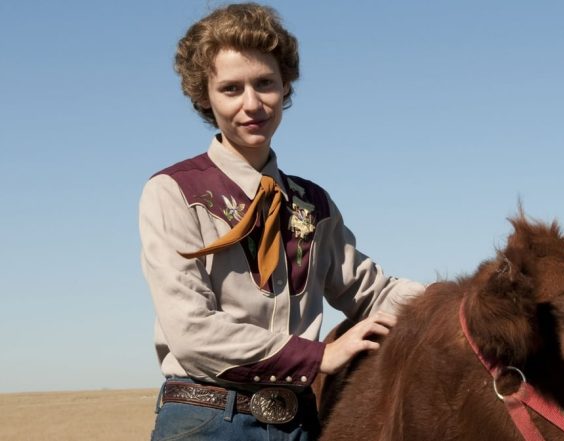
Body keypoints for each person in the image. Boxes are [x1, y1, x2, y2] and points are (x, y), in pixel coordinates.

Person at [138, 3, 424, 439]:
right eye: (231, 89)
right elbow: (192, 332)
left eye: (265, 83)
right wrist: (317, 356)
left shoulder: (313, 204)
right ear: (204, 95)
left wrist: (457, 303)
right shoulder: (174, 191)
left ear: (285, 86)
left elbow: (371, 290)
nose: (252, 103)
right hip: (207, 418)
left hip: (301, 424)